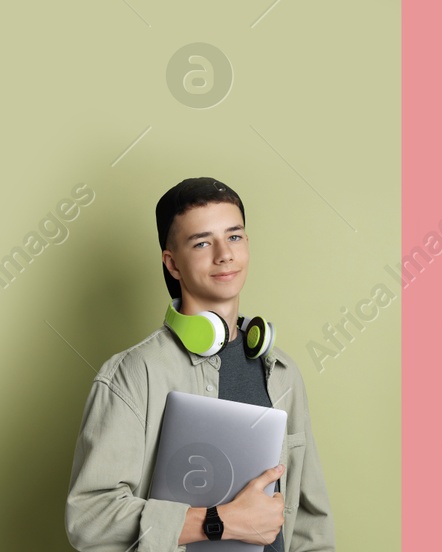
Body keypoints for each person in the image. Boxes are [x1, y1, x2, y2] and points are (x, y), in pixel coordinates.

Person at [65, 178, 335, 551]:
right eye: (203, 242)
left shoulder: (283, 372)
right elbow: (90, 520)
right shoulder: (132, 374)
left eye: (235, 237)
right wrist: (219, 521)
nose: (224, 255)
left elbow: (309, 522)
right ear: (172, 264)